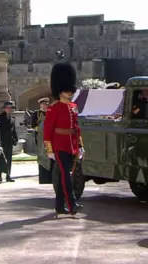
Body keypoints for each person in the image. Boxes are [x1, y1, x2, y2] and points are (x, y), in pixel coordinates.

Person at [44, 62, 84, 215]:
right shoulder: (53, 108)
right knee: (67, 175)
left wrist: (80, 146)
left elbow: (76, 127)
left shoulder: (73, 106)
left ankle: (59, 206)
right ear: (60, 92)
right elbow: (48, 130)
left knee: (63, 174)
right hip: (59, 145)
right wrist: (49, 149)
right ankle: (72, 203)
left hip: (71, 144)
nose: (70, 94)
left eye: (70, 91)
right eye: (67, 91)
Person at [0, 101, 18, 182]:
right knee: (1, 158)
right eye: (8, 108)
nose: (9, 109)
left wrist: (15, 138)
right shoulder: (0, 117)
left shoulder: (12, 118)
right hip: (2, 140)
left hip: (10, 141)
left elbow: (14, 130)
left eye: (10, 108)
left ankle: (8, 175)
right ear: (4, 109)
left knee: (9, 158)